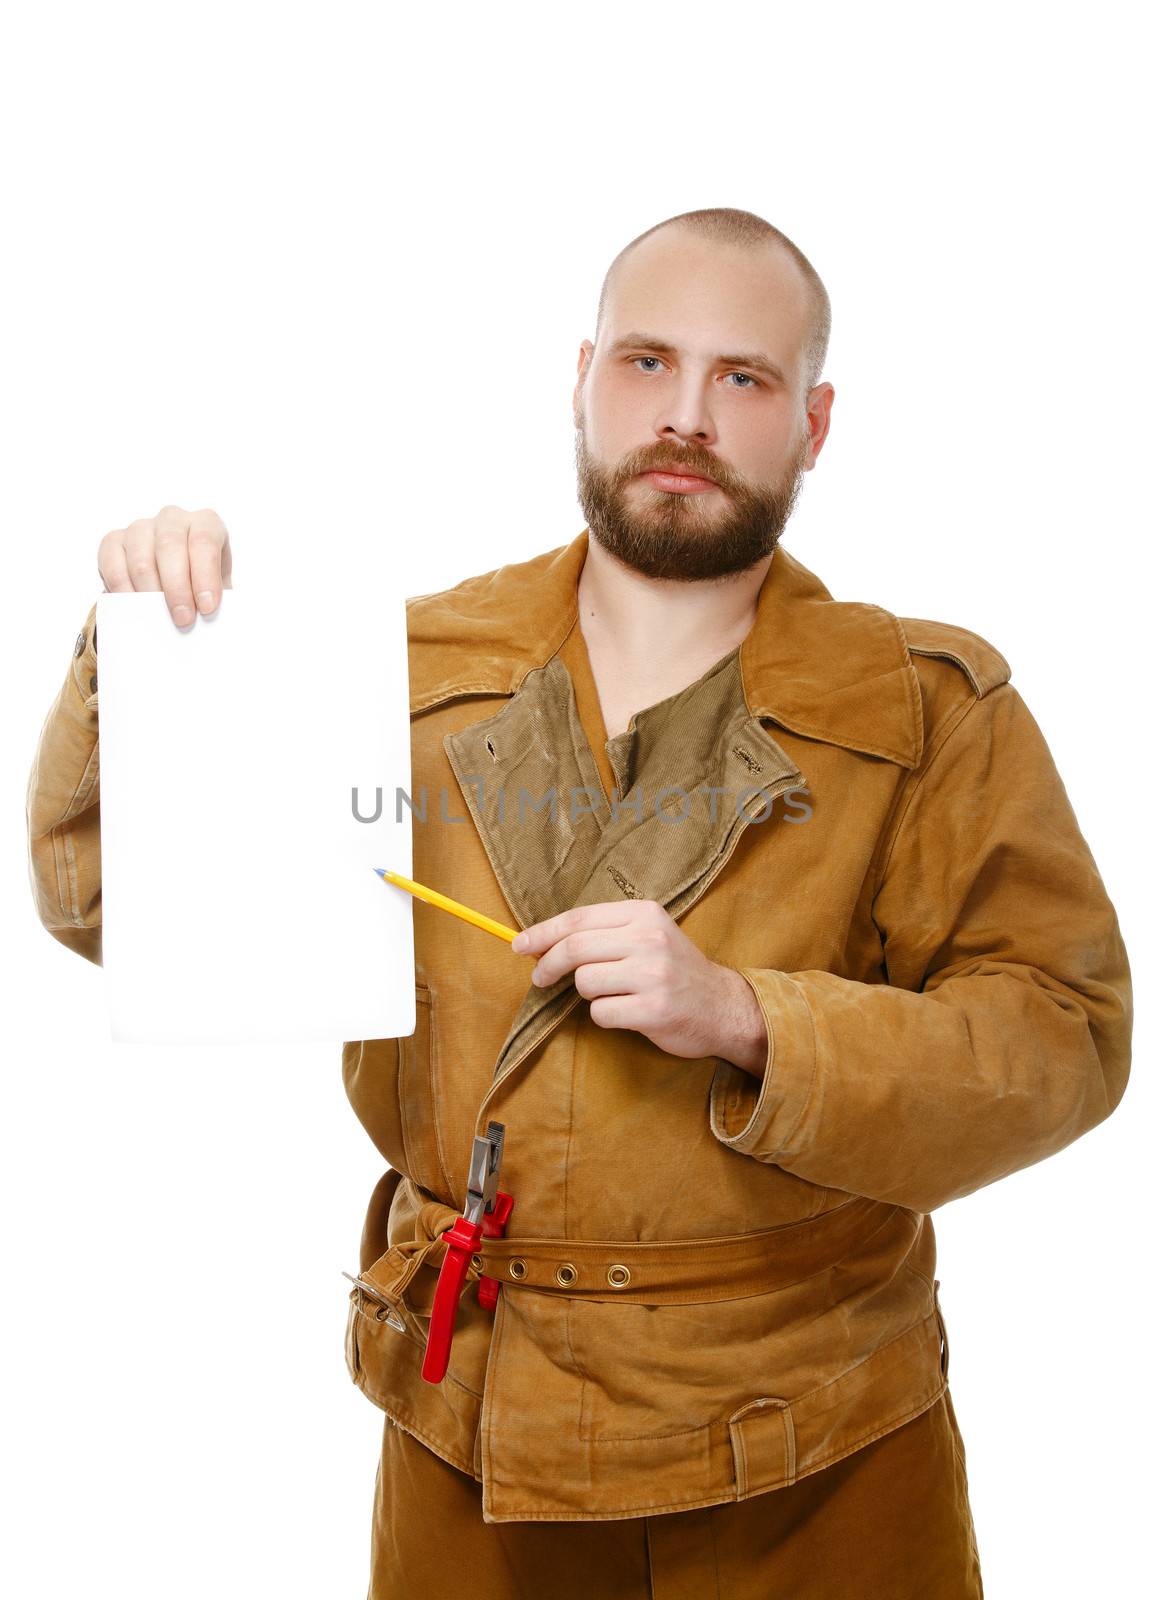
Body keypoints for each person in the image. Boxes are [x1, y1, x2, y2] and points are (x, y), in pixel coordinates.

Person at [26, 208, 1132, 1599]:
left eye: (745, 379)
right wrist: (142, 657)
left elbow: (1063, 1043)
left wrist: (748, 1016)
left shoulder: (928, 713)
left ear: (815, 420)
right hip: (476, 1437)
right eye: (646, 362)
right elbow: (116, 907)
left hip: (822, 1452)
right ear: (581, 378)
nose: (685, 416)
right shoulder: (391, 675)